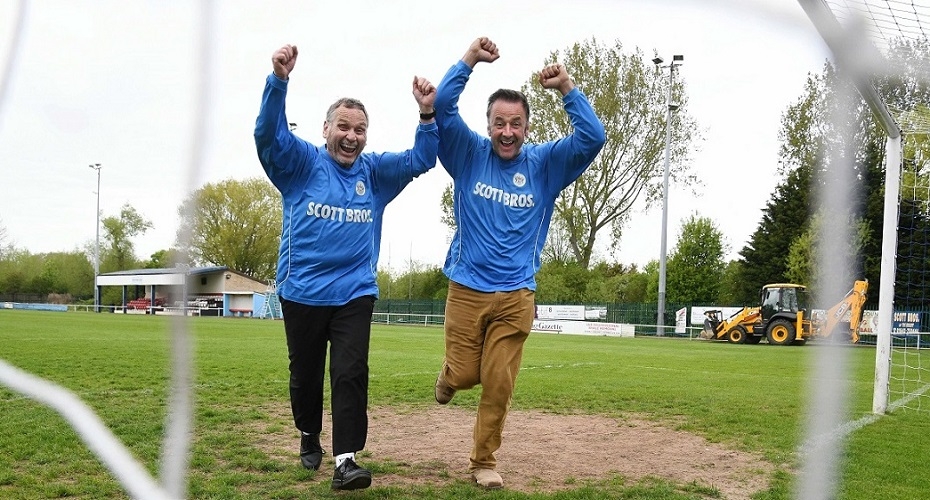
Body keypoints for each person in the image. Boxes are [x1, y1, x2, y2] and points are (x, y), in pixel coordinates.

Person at [254, 43, 439, 491]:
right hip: (301, 291)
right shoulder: (301, 164)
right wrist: (278, 82)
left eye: (360, 129)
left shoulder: (373, 174)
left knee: (350, 371)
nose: (351, 136)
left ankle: (346, 460)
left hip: (355, 291)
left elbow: (421, 159)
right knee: (305, 375)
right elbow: (267, 137)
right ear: (326, 129)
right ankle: (307, 432)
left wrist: (428, 117)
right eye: (343, 126)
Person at [432, 37, 606, 489]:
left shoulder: (546, 164)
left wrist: (567, 87)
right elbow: (443, 108)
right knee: (468, 374)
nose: (507, 132)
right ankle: (449, 376)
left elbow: (593, 137)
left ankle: (483, 463)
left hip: (517, 294)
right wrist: (468, 59)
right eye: (498, 123)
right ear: (488, 125)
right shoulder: (468, 154)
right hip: (467, 288)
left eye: (516, 124)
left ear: (527, 127)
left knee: (498, 383)